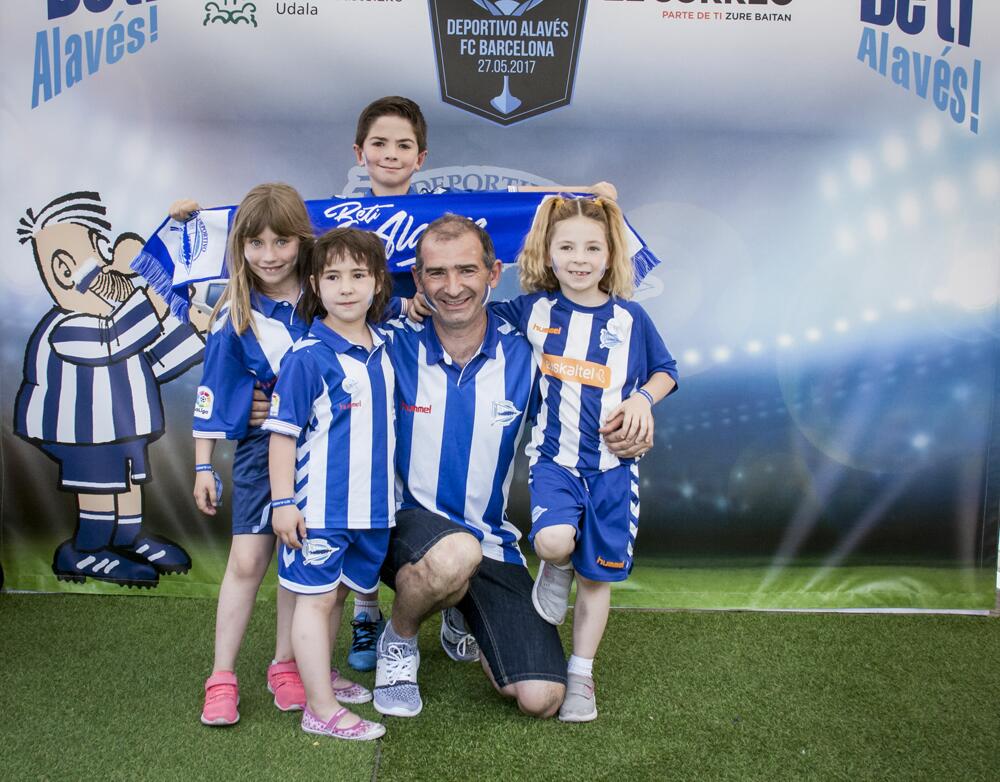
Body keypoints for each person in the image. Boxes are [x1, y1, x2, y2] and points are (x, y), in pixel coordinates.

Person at [371, 214, 653, 720]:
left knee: (541, 698)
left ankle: (460, 610)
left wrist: (639, 413)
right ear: (417, 280)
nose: (452, 287)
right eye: (436, 273)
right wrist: (264, 399)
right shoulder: (389, 344)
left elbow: (597, 371)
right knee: (453, 555)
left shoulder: (528, 343)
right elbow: (311, 352)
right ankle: (400, 640)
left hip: (489, 539)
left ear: (493, 272)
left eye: (467, 270)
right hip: (402, 528)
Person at [488, 196, 678, 722]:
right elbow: (471, 314)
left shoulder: (630, 317)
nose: (579, 257)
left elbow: (665, 370)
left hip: (614, 471)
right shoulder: (533, 310)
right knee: (552, 540)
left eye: (592, 247)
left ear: (610, 254)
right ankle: (557, 564)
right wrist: (419, 306)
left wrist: (643, 400)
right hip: (554, 462)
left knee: (598, 581)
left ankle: (580, 677)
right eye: (566, 246)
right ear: (547, 254)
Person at [192, 183, 347, 726]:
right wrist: (203, 463)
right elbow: (213, 389)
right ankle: (222, 676)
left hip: (327, 449)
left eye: (281, 241)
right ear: (240, 248)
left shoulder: (325, 294)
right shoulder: (236, 311)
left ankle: (285, 665)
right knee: (248, 560)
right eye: (255, 243)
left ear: (301, 241)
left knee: (299, 562)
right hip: (262, 453)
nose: (269, 255)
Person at [263, 228, 396, 741]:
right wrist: (283, 502)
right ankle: (318, 708)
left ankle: (322, 678)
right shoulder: (307, 357)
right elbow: (282, 436)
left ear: (377, 281)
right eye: (333, 276)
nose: (346, 287)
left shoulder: (384, 345)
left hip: (370, 508)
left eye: (358, 275)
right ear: (315, 284)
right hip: (319, 508)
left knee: (336, 596)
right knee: (314, 602)